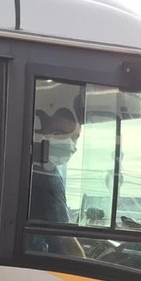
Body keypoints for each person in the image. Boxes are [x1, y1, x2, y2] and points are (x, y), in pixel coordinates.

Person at [29, 106, 85, 257]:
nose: (71, 143)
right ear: (42, 133)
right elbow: (65, 242)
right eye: (59, 133)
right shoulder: (45, 173)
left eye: (75, 137)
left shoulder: (30, 163)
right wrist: (86, 266)